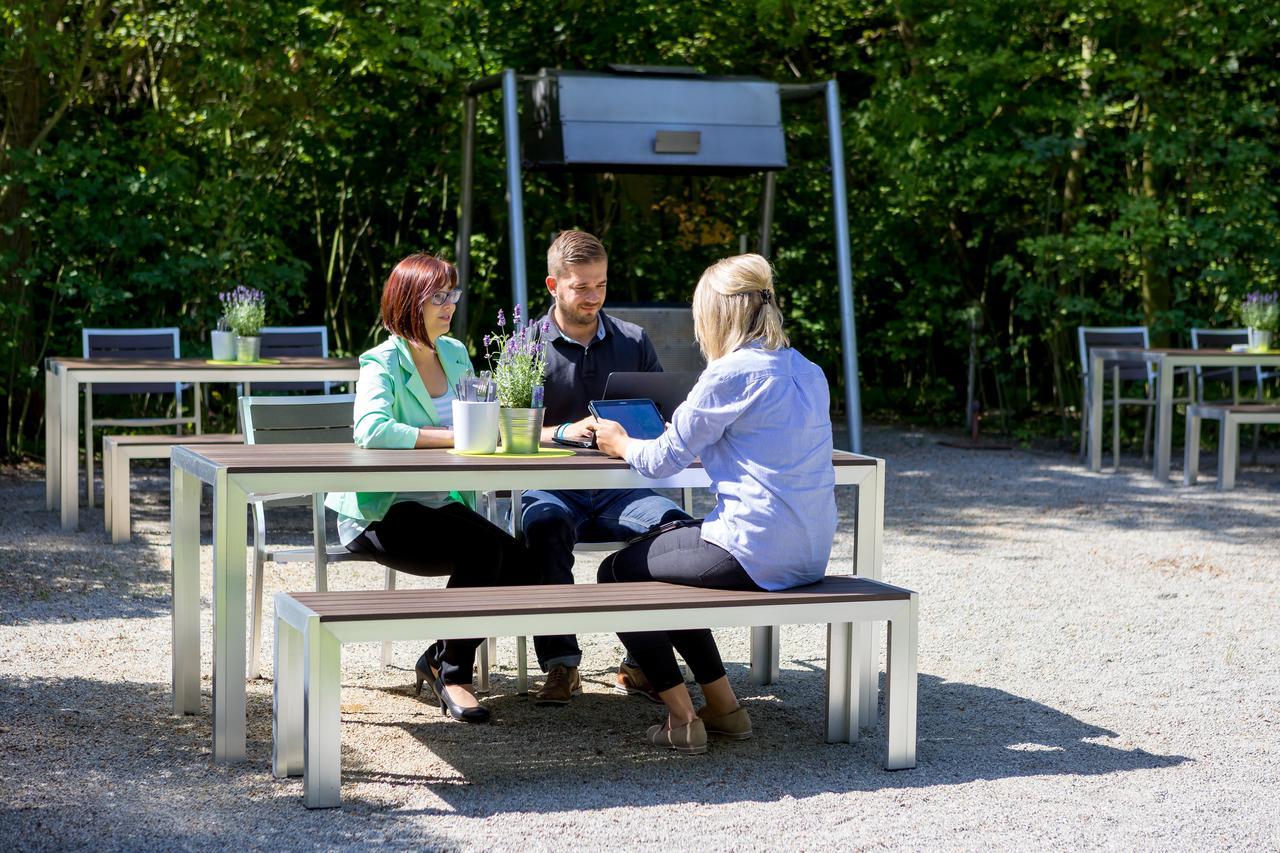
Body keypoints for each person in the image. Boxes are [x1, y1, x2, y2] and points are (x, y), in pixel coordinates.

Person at [588, 253, 837, 754]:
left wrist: (616, 440)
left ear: (717, 315)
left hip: (753, 549)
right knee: (668, 573)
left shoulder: (728, 375)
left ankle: (682, 718)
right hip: (811, 550)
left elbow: (659, 461)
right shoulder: (807, 370)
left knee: (615, 574)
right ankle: (724, 710)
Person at [325, 253, 533, 724]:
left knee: (523, 565)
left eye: (452, 294)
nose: (449, 304)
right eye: (437, 296)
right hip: (381, 510)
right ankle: (454, 672)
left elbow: (482, 416)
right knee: (483, 551)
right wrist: (458, 437)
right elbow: (372, 431)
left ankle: (437, 656)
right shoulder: (381, 360)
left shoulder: (455, 352)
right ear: (407, 301)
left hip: (441, 503)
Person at [521, 230, 691, 705]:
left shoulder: (634, 339)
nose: (593, 296)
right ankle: (561, 666)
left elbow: (665, 421)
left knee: (676, 531)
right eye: (581, 287)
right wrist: (560, 432)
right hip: (553, 487)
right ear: (554, 286)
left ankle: (643, 664)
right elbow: (499, 433)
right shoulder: (525, 345)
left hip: (626, 487)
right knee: (546, 530)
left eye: (600, 285)